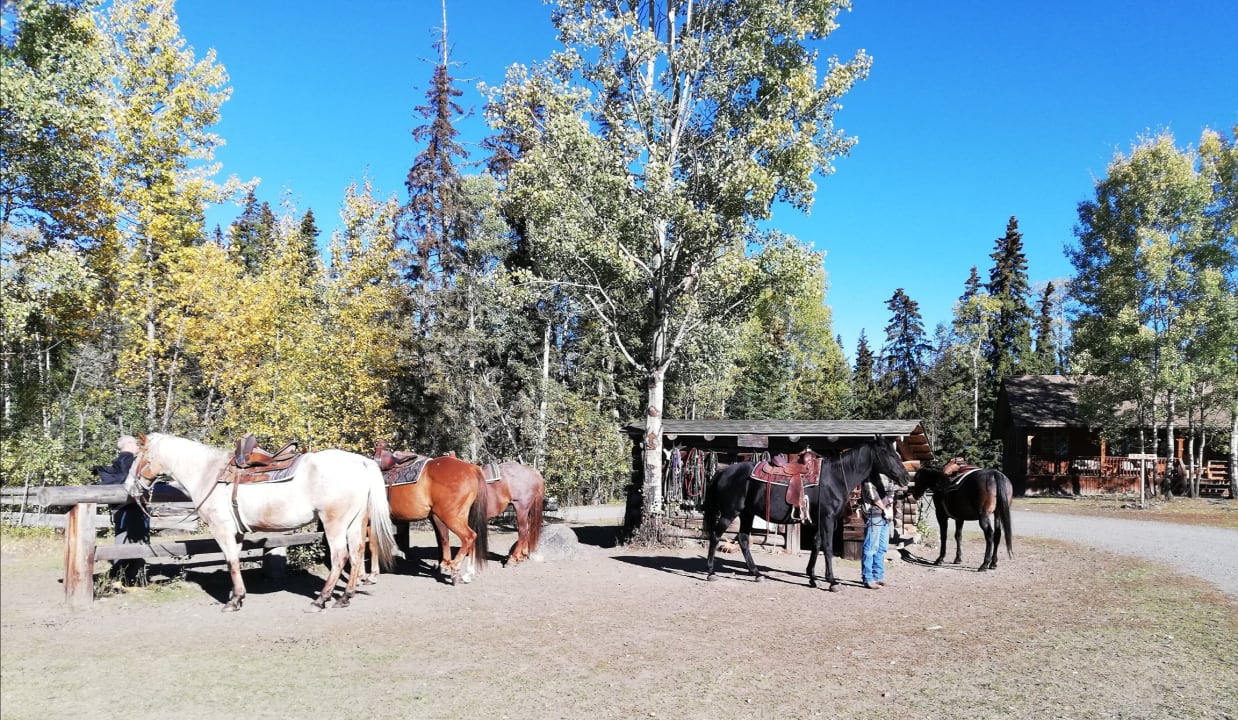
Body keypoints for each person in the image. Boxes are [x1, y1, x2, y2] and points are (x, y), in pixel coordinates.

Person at [91, 435, 149, 584]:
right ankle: (128, 578)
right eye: (136, 444)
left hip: (120, 508)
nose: (138, 447)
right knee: (135, 542)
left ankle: (123, 576)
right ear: (128, 444)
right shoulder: (129, 460)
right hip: (132, 508)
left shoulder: (118, 462)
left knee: (122, 540)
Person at [860, 471, 892, 589]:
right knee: (871, 547)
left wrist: (890, 507)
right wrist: (884, 509)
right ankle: (867, 578)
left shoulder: (887, 476)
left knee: (882, 548)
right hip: (874, 515)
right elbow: (872, 495)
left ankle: (878, 576)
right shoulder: (868, 475)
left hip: (885, 515)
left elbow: (891, 491)